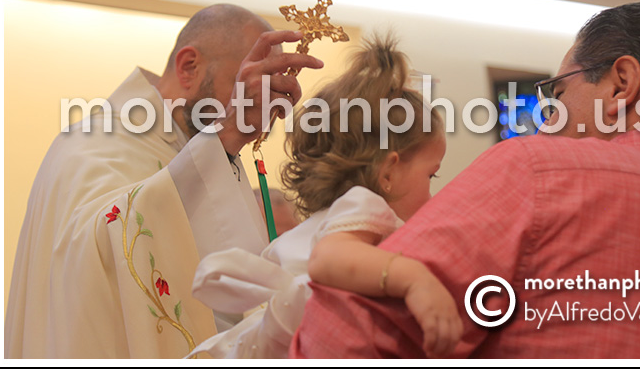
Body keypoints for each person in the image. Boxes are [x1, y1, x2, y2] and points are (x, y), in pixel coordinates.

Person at [292, 0, 640, 358]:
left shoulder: (543, 171)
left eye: (558, 93)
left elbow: (343, 336)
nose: (547, 122)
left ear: (621, 84)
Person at [4, 4, 323, 358]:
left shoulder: (192, 151)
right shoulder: (96, 141)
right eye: (243, 83)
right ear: (189, 67)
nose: (253, 105)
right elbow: (99, 253)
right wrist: (229, 130)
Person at [188, 38, 462, 358]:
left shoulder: (336, 218)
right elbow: (328, 259)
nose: (432, 197)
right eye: (431, 176)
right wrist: (416, 280)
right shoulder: (364, 206)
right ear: (388, 173)